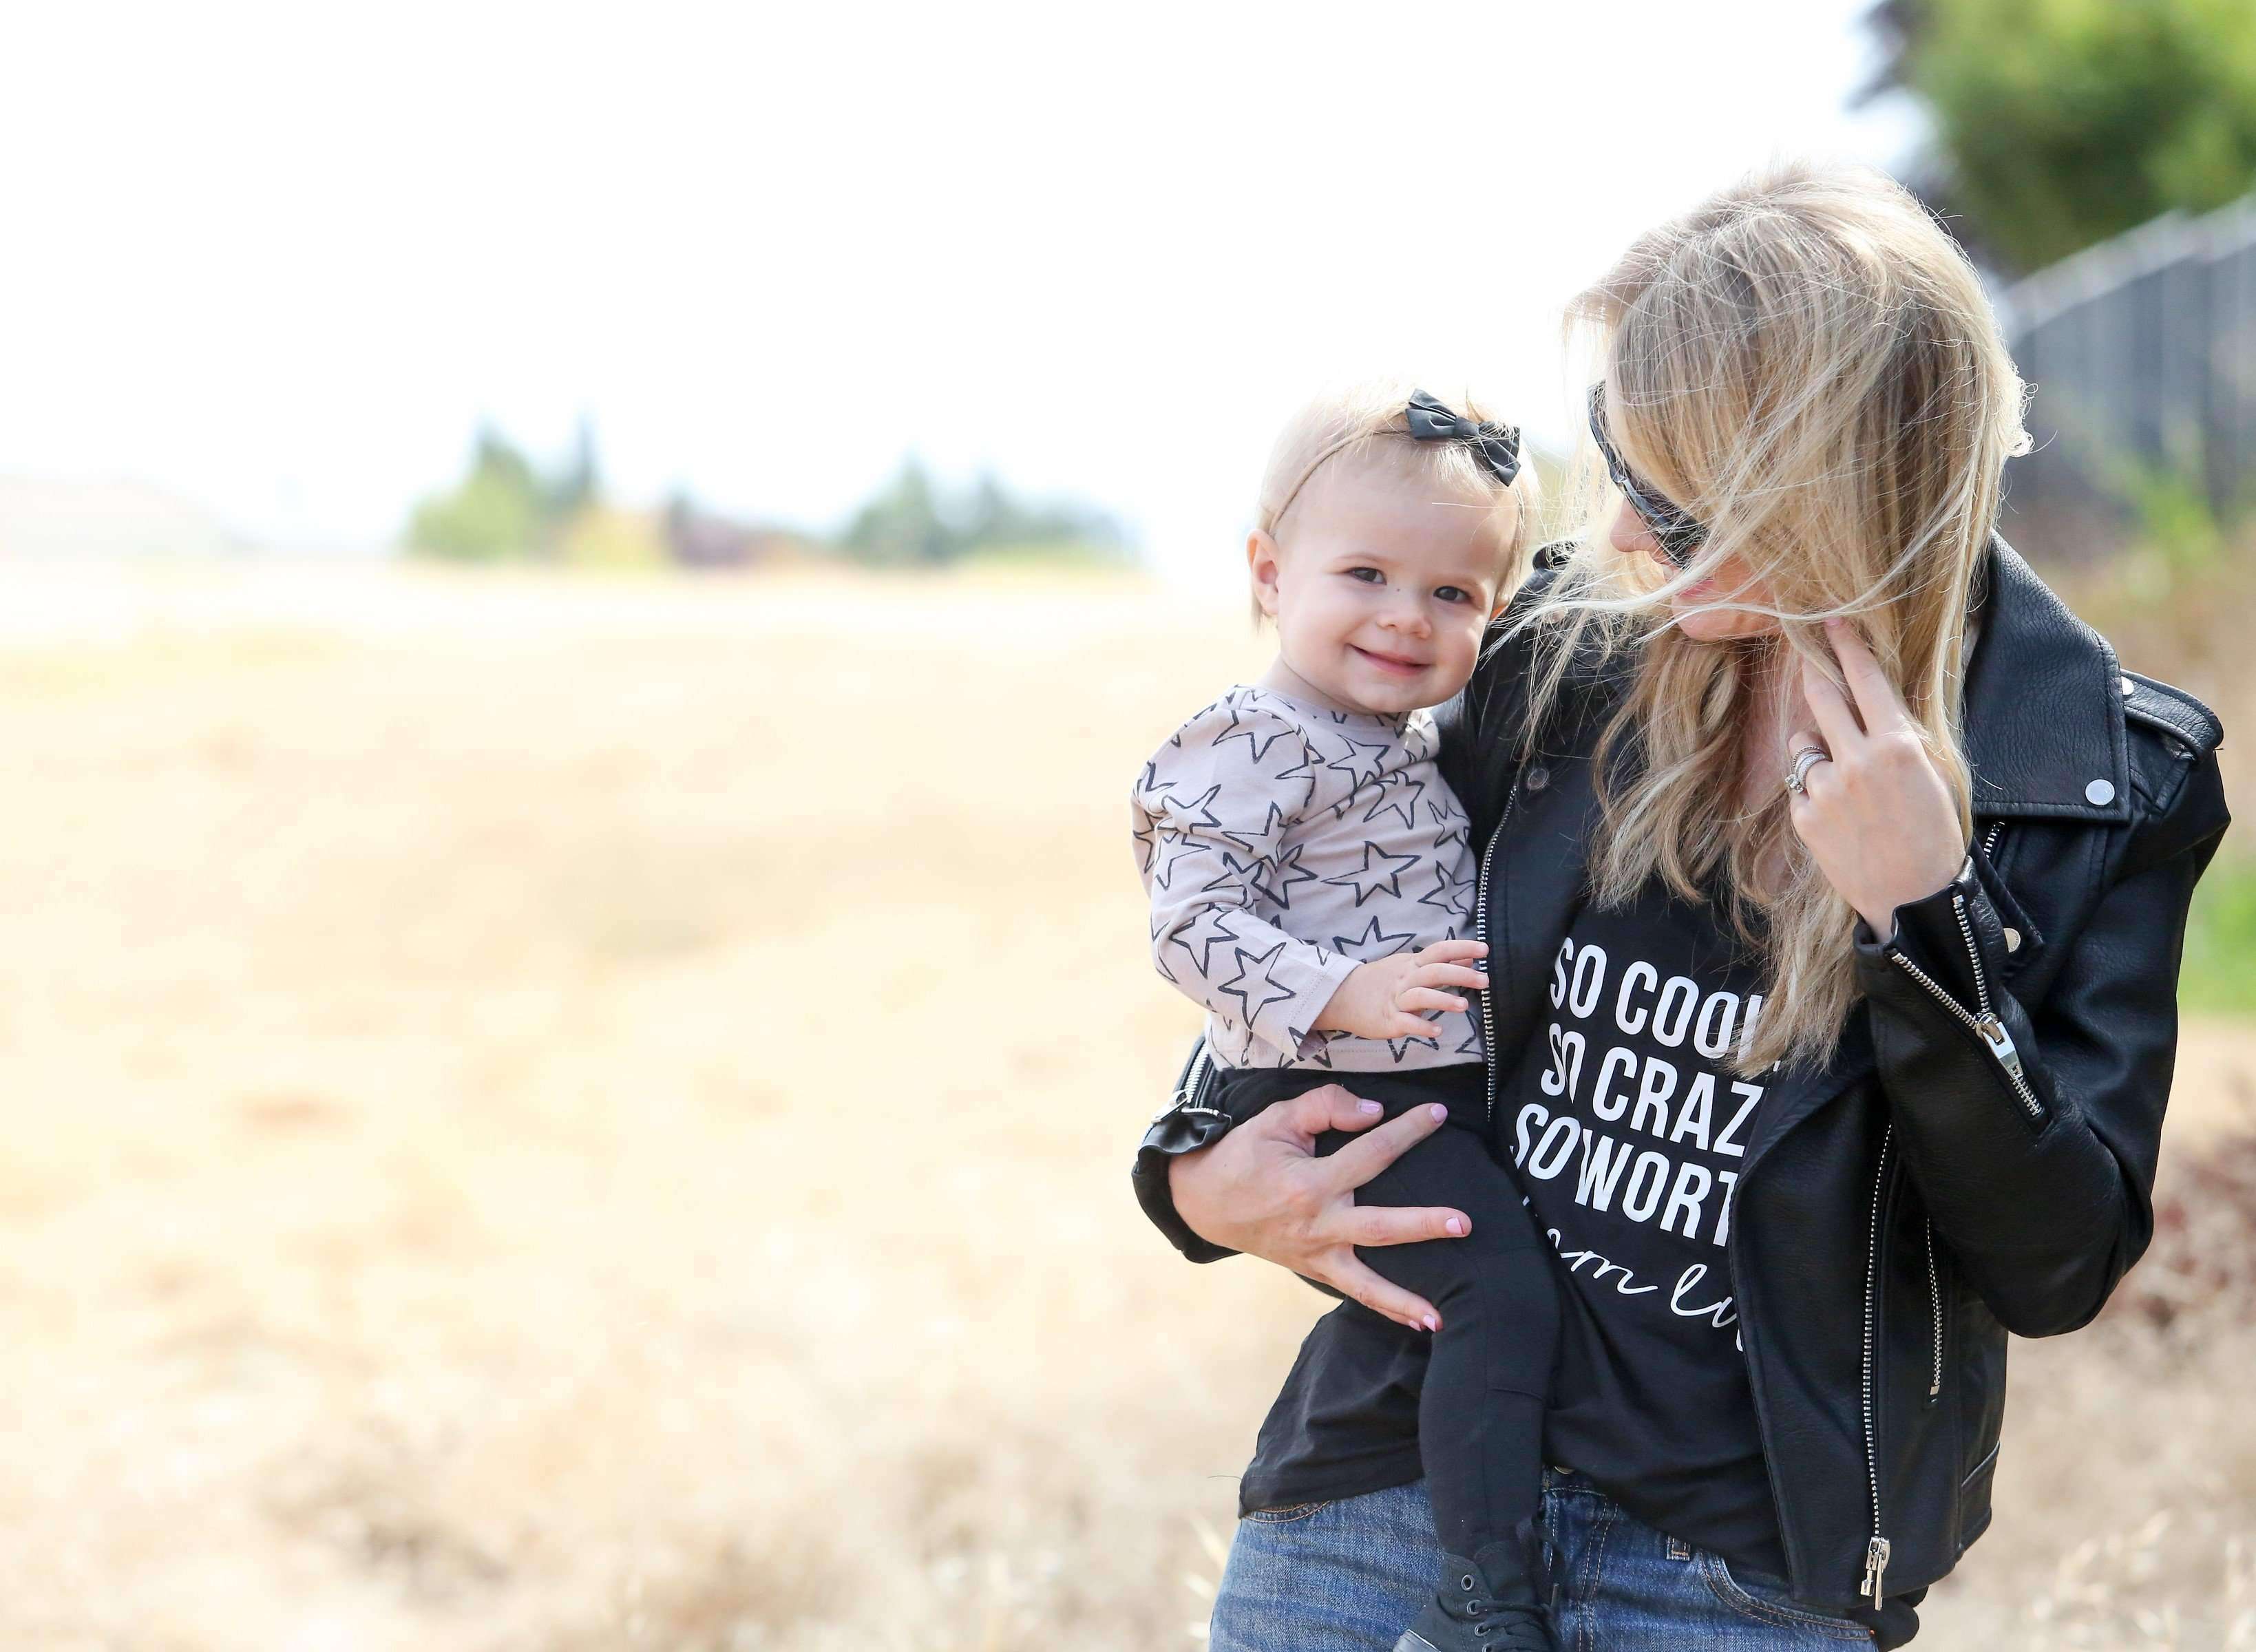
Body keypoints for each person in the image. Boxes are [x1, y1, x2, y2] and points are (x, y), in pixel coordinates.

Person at [1130, 162, 2232, 1651]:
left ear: (1834, 475)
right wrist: (1195, 1172)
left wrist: (1925, 914)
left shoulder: (2092, 776)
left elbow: (2055, 1261)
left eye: (1672, 497)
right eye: (1615, 464)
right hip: (1398, 1483)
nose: (1626, 541)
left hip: (1741, 1575)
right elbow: (1336, 904)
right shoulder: (1553, 657)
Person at [1130, 381, 1564, 1651]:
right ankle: (1486, 1592)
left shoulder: (1404, 736)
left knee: (1484, 1292)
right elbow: (1189, 926)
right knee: (1497, 1293)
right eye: (1364, 574)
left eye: (1451, 595)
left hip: (1414, 1074)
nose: (1403, 618)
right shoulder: (1251, 737)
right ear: (1269, 573)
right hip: (1334, 1083)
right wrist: (1342, 992)